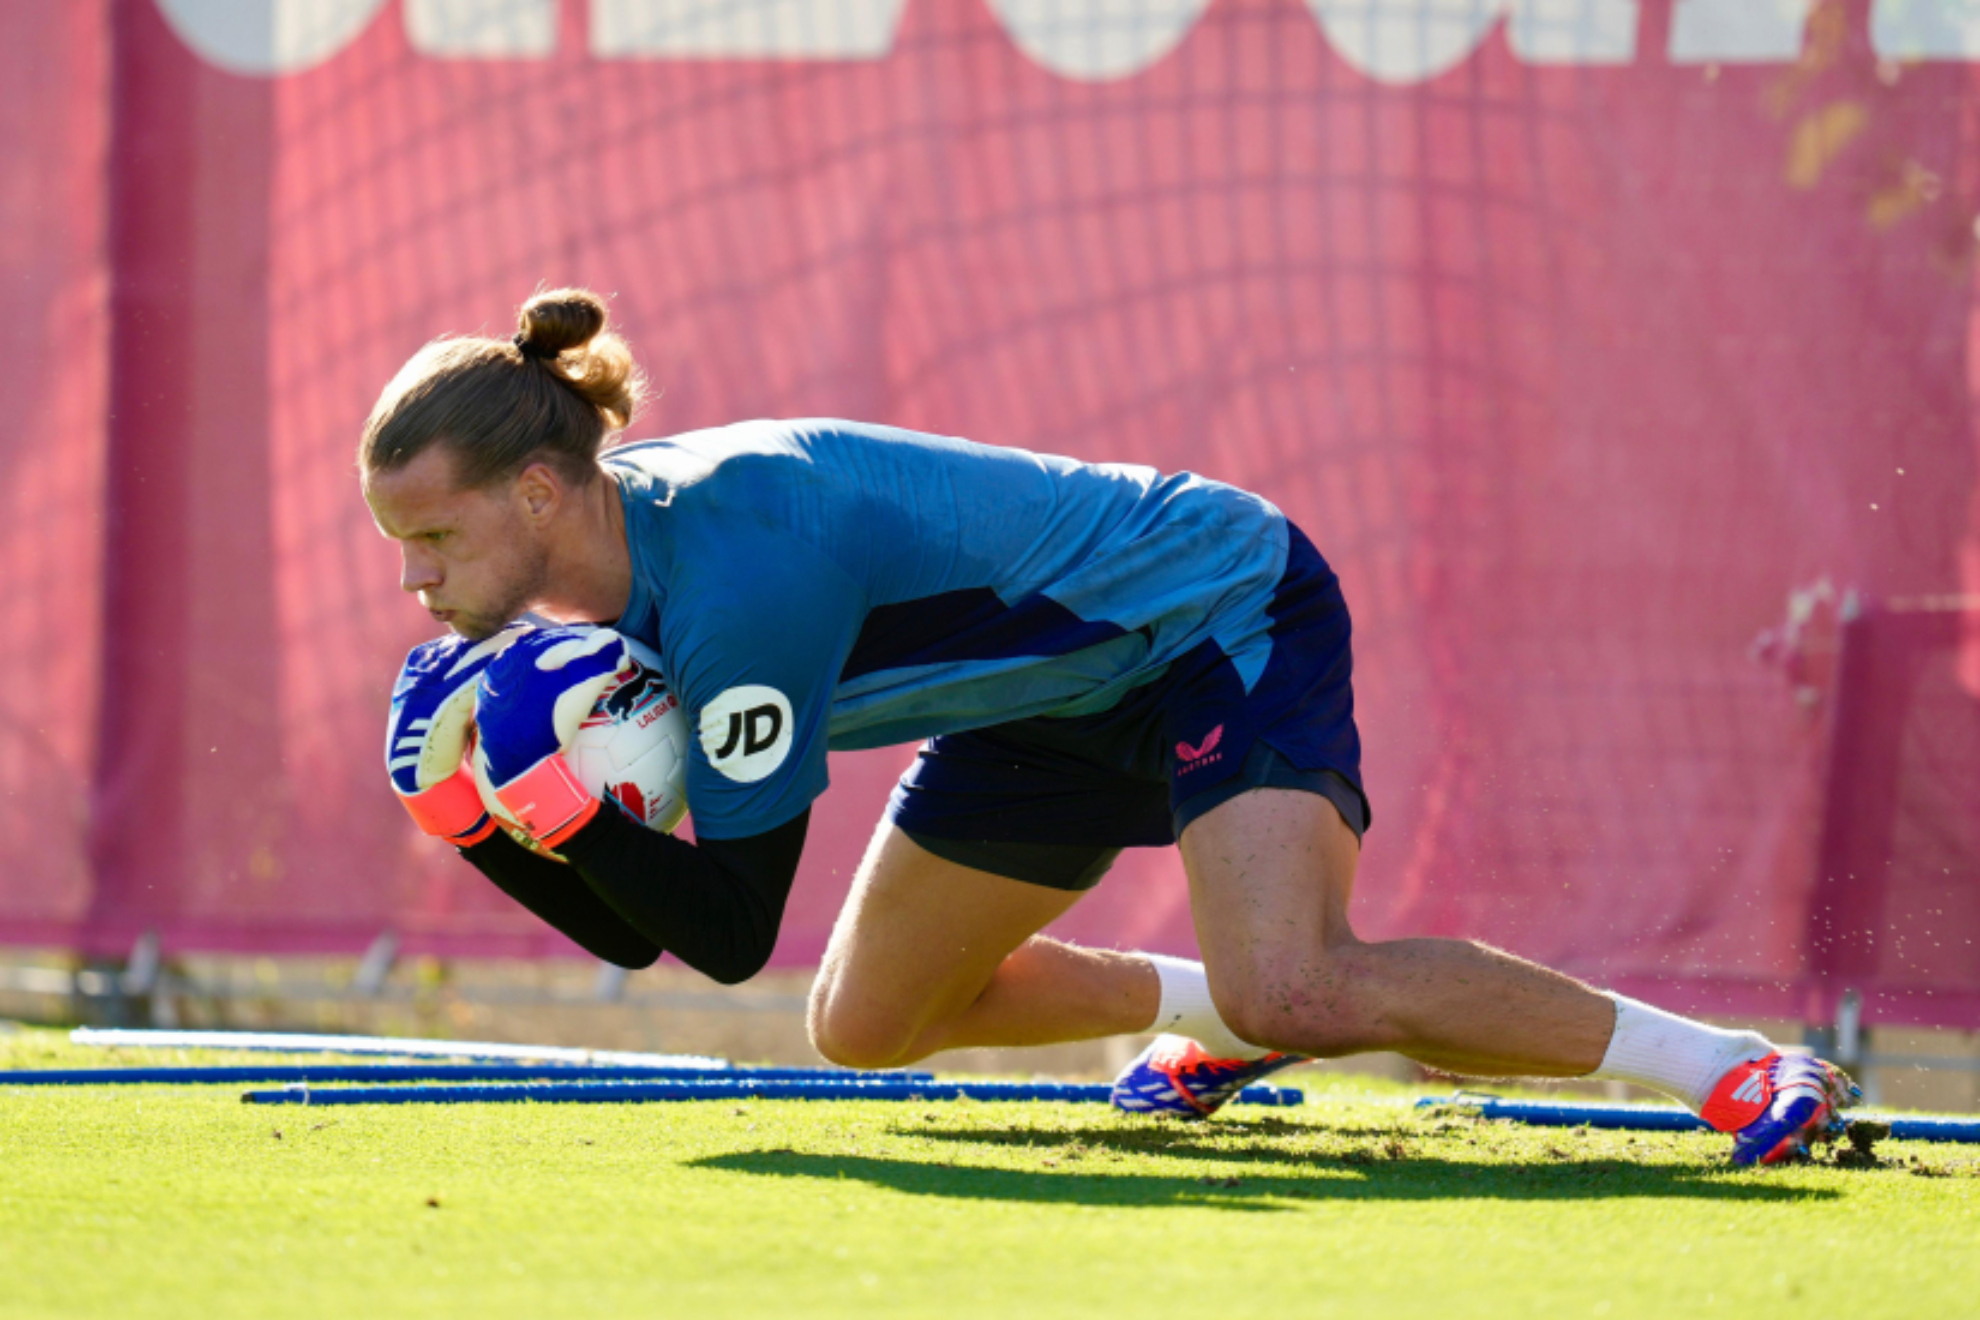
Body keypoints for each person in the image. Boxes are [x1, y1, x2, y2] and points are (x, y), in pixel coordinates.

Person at [363, 289, 1856, 1165]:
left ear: (542, 492)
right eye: (399, 544)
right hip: (1035, 697)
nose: (416, 578)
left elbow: (731, 926)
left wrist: (549, 812)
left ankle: (1725, 1063)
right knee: (867, 1028)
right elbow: (642, 929)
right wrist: (481, 830)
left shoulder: (736, 582)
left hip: (1208, 610)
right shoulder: (600, 585)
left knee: (1304, 987)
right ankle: (1204, 1019)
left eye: (433, 533)